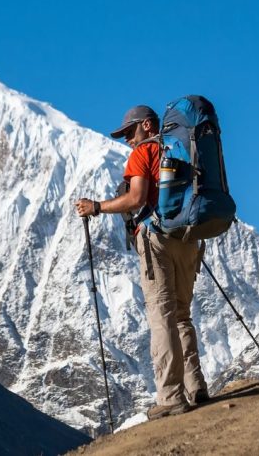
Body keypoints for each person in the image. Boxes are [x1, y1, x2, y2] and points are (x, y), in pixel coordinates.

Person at [75, 105, 209, 420]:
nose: (127, 140)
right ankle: (196, 386)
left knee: (162, 316)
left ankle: (171, 397)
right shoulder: (184, 150)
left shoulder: (143, 153)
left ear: (147, 126)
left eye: (129, 132)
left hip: (156, 239)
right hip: (189, 238)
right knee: (181, 315)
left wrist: (96, 207)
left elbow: (136, 198)